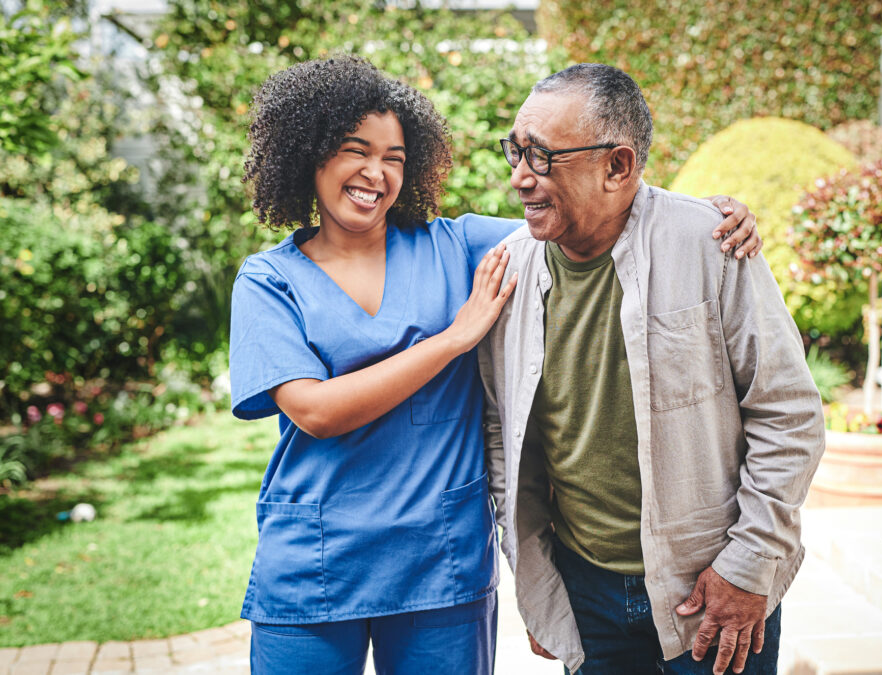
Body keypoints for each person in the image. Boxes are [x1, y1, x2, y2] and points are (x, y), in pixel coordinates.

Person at [229, 56, 763, 675]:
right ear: (309, 154)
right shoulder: (268, 282)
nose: (375, 173)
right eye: (356, 150)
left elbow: (590, 210)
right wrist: (454, 339)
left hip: (441, 568)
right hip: (315, 569)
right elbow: (315, 411)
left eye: (395, 157)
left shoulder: (460, 247)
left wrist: (708, 216)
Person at [479, 63, 826, 675]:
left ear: (619, 166)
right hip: (585, 592)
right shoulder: (505, 268)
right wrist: (540, 585)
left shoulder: (710, 241)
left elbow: (789, 416)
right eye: (516, 151)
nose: (519, 179)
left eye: (541, 158)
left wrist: (748, 564)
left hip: (715, 589)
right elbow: (502, 437)